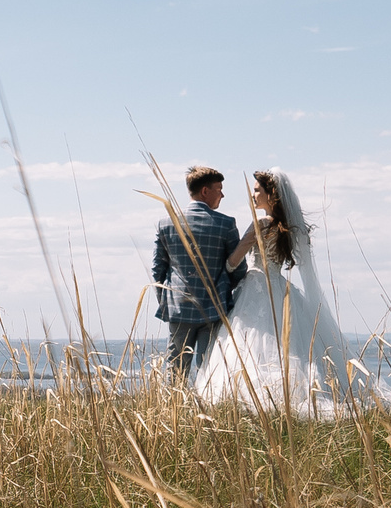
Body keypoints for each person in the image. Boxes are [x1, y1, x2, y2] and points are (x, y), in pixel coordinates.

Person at [194, 168, 375, 416]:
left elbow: (232, 262)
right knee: (287, 346)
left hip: (255, 286)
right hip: (280, 287)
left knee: (250, 346)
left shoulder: (260, 224)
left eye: (258, 190)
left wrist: (223, 263)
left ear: (272, 195)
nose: (253, 194)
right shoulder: (290, 228)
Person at [151, 167, 244, 381]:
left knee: (175, 373)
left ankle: (173, 413)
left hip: (178, 306)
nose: (222, 194)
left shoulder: (166, 223)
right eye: (219, 189)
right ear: (205, 191)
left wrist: (168, 301)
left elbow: (158, 270)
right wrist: (227, 293)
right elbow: (238, 267)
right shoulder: (225, 224)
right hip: (214, 307)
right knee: (209, 371)